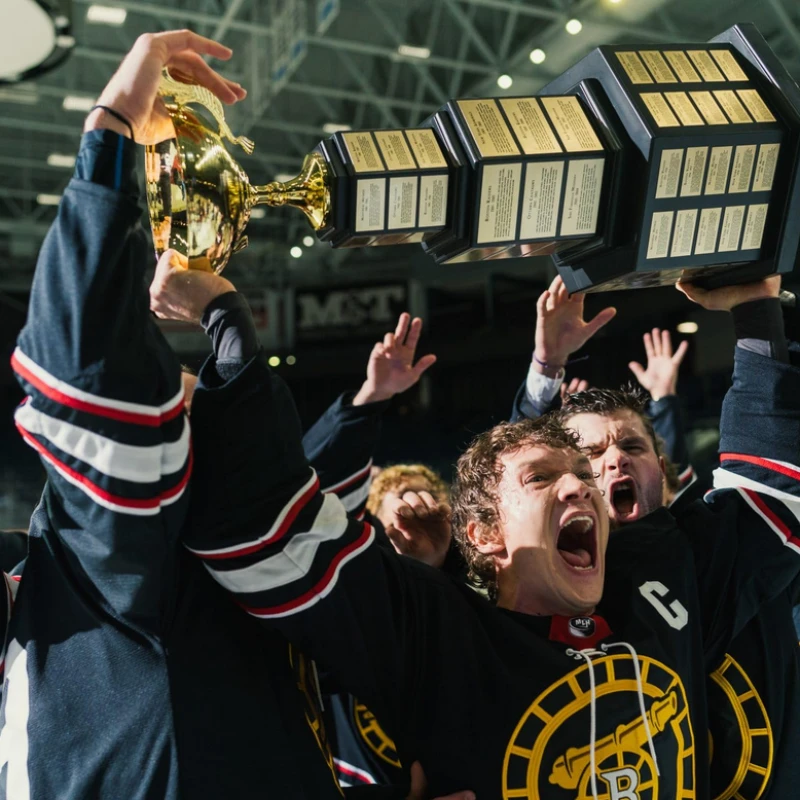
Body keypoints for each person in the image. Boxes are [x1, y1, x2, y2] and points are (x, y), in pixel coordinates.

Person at [177, 244, 800, 799]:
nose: (579, 485)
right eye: (542, 478)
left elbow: (772, 498)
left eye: (580, 475)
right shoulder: (440, 632)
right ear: (484, 534)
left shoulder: (658, 580)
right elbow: (271, 538)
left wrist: (755, 308)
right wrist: (227, 320)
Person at [546, 278, 800, 800]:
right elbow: (505, 507)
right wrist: (544, 369)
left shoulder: (709, 545)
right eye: (591, 454)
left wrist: (757, 310)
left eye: (632, 446)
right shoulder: (539, 590)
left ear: (662, 469)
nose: (615, 459)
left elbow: (771, 480)